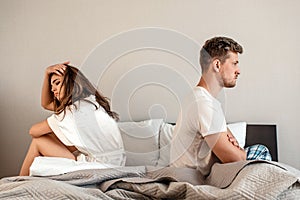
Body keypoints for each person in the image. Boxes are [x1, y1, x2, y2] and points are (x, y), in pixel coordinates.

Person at [170, 37, 271, 176]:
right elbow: (237, 159)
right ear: (217, 65)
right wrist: (239, 151)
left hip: (187, 174)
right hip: (194, 181)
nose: (238, 70)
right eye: (234, 63)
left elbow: (219, 127)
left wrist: (228, 136)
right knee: (261, 151)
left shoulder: (198, 98)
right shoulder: (204, 104)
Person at [19, 62, 125, 176]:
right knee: (63, 137)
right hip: (117, 163)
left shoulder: (70, 111)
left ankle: (20, 181)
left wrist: (47, 73)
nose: (53, 90)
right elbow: (46, 104)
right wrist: (47, 73)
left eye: (57, 83)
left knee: (39, 141)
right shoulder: (91, 102)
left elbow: (33, 131)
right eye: (51, 87)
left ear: (71, 82)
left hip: (98, 167)